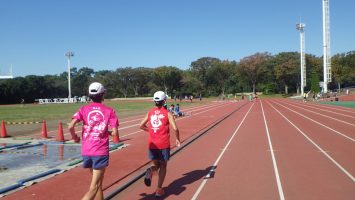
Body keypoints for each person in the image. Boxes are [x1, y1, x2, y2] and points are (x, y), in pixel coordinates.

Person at [68, 82, 119, 200]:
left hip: (86, 151)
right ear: (102, 94)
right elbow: (115, 133)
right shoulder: (109, 111)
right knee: (94, 187)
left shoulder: (83, 109)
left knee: (98, 184)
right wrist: (107, 132)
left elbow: (71, 126)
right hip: (100, 151)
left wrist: (75, 138)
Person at [139, 91, 181, 198]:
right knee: (163, 166)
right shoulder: (168, 113)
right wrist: (177, 139)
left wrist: (152, 130)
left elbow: (141, 125)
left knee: (155, 165)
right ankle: (158, 189)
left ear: (154, 101)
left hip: (152, 144)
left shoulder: (150, 112)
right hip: (163, 144)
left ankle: (150, 171)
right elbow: (175, 129)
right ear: (164, 101)